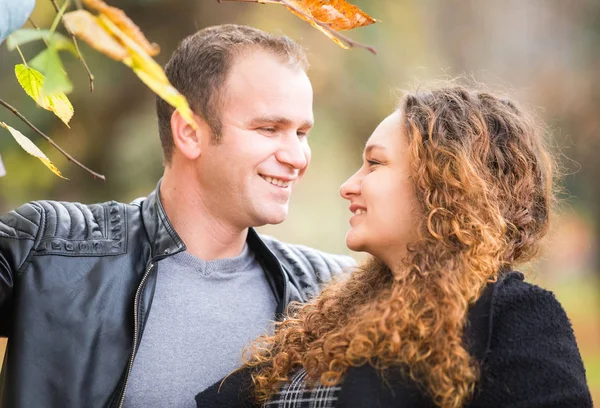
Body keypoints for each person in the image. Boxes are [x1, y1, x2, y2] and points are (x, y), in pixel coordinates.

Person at [0, 24, 354, 408]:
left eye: (302, 133)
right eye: (269, 129)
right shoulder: (48, 247)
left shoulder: (331, 292)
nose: (297, 157)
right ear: (188, 133)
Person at [196, 85, 593, 408]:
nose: (348, 186)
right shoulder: (335, 313)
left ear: (444, 182)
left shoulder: (513, 314)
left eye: (375, 163)